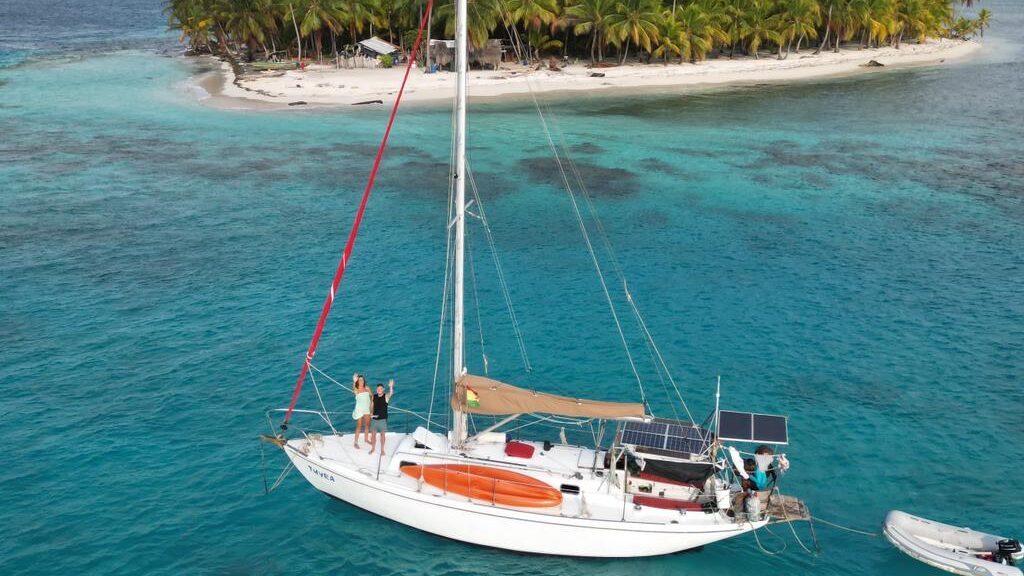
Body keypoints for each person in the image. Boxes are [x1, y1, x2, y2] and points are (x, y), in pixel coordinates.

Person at [369, 379, 394, 455]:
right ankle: (373, 448)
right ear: (376, 390)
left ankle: (382, 450)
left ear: (383, 390)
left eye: (380, 389)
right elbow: (371, 406)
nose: (379, 390)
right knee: (373, 435)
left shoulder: (386, 396)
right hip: (374, 419)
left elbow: (391, 393)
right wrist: (371, 414)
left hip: (383, 419)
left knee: (382, 435)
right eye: (378, 389)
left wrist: (391, 386)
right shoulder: (374, 396)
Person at [351, 373, 372, 449]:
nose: (361, 381)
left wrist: (371, 407)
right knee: (359, 426)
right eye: (359, 380)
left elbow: (371, 396)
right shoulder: (356, 389)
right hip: (359, 409)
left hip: (367, 408)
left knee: (367, 425)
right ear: (357, 381)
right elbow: (353, 389)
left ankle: (366, 439)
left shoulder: (367, 388)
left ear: (364, 380)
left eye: (362, 380)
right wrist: (354, 381)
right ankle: (355, 442)